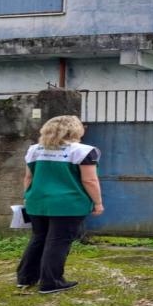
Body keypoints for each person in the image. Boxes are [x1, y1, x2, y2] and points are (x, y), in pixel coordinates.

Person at [17, 115, 104, 294]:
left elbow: (28, 177)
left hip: (37, 201)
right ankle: (51, 282)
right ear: (75, 130)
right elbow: (90, 181)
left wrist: (27, 196)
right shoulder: (84, 151)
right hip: (68, 204)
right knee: (58, 241)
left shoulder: (35, 149)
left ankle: (26, 278)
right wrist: (98, 203)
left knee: (38, 238)